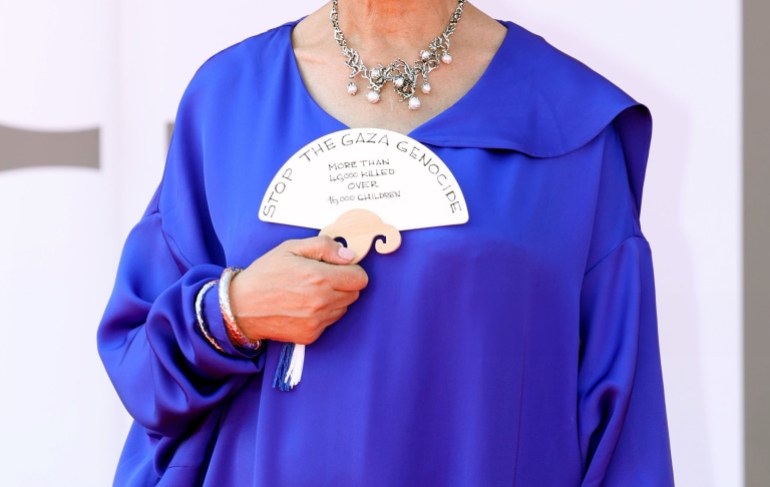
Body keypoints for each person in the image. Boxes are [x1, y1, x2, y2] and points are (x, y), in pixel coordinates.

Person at [98, 0, 675, 485]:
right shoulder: (228, 98)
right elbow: (143, 369)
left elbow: (625, 425)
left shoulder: (570, 119)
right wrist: (234, 311)